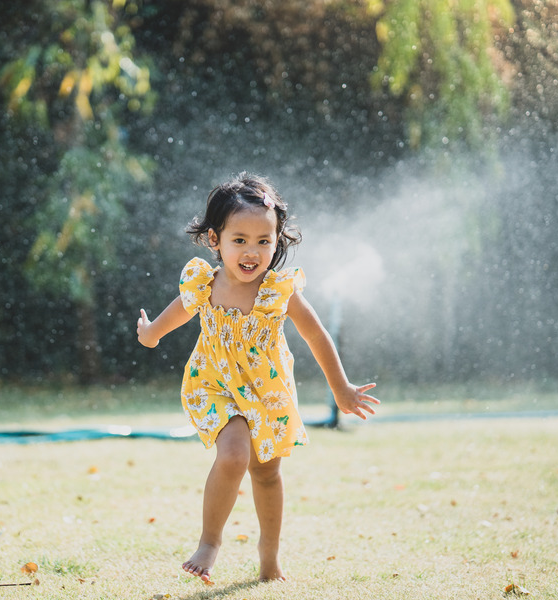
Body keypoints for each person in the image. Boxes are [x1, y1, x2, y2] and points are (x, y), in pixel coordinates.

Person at [136, 172, 379, 583]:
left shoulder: (279, 290)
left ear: (277, 240)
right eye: (240, 240)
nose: (252, 252)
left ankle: (269, 557)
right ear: (215, 240)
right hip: (214, 383)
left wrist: (341, 388)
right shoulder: (204, 284)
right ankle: (210, 542)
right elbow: (176, 313)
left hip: (267, 393)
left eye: (264, 241)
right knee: (233, 454)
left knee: (267, 472)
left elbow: (315, 333)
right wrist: (150, 333)